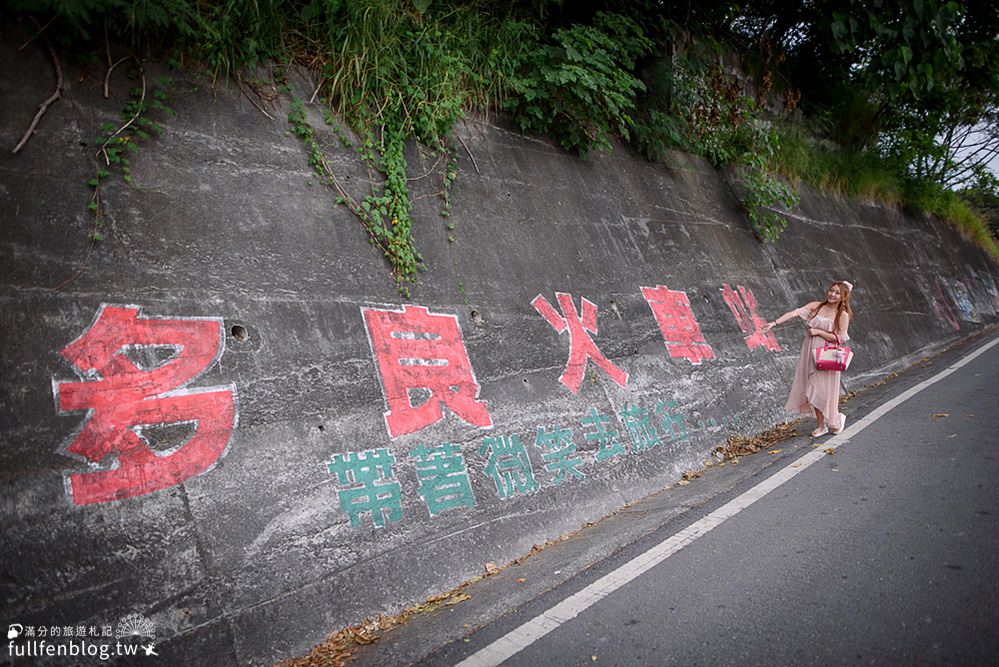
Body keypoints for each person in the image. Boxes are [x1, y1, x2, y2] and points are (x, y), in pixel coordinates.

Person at [765, 281, 854, 437]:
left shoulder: (843, 315)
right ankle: (821, 426)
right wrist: (774, 322)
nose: (832, 294)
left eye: (837, 293)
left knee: (824, 390)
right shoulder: (817, 306)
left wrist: (818, 332)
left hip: (827, 354)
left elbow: (840, 338)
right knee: (813, 388)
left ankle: (835, 418)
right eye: (831, 290)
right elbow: (794, 313)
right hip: (810, 350)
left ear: (844, 297)